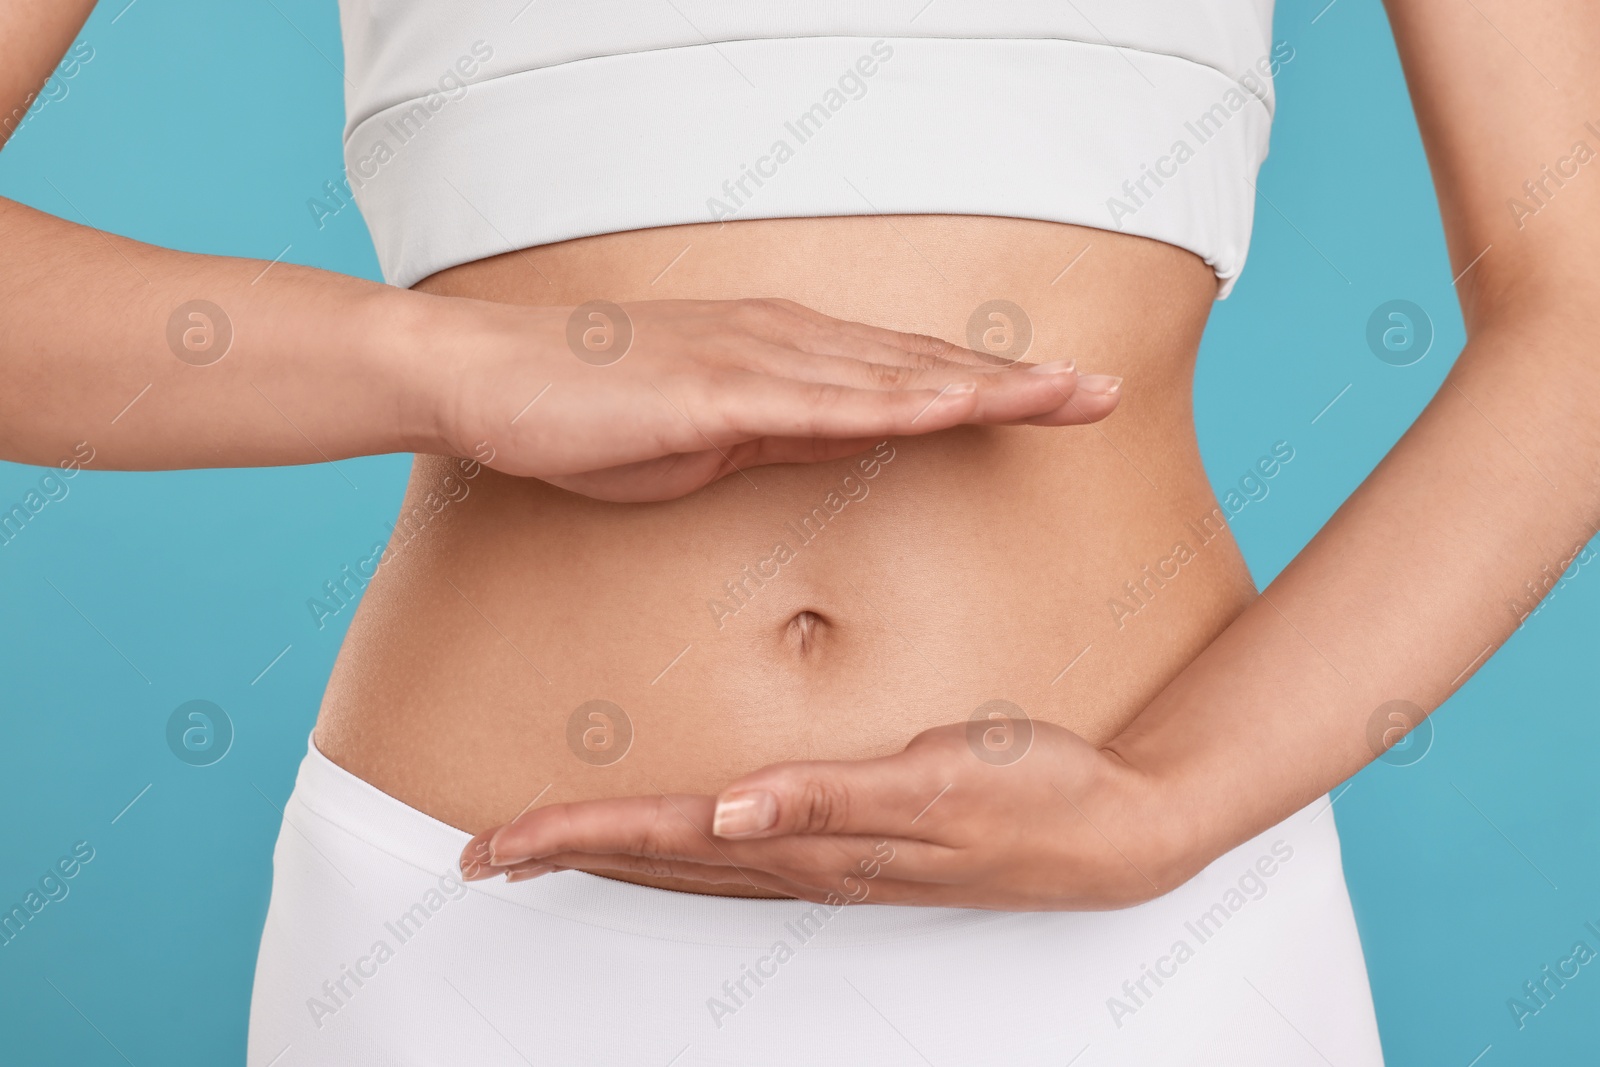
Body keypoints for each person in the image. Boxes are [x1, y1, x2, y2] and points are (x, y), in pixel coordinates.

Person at [4, 1, 1595, 1064]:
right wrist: (465, 365)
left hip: (1139, 939)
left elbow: (1579, 315)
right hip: (483, 935)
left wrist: (1171, 805)